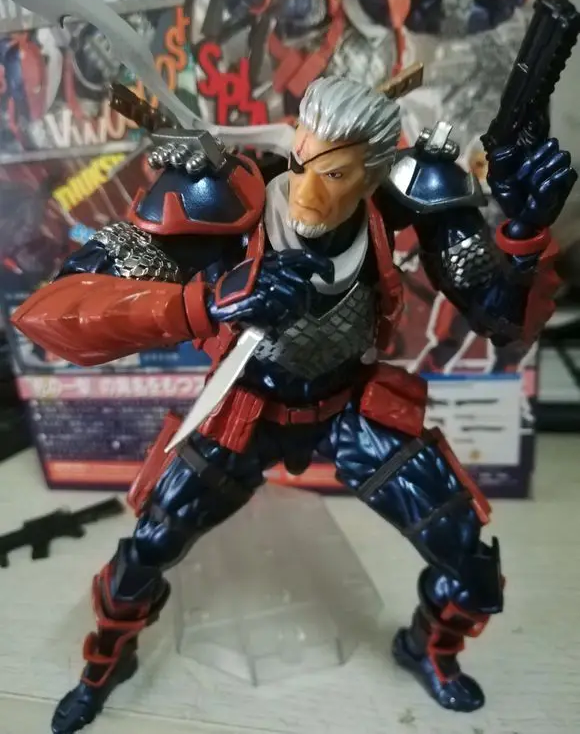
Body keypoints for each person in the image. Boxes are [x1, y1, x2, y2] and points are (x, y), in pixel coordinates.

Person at [12, 75, 571, 734]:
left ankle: (430, 649)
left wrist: (524, 233)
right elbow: (51, 311)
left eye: (333, 174)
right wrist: (204, 301)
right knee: (147, 549)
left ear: (374, 171)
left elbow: (502, 321)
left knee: (471, 564)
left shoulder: (411, 194)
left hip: (350, 407)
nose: (306, 193)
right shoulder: (223, 204)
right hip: (245, 411)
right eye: (301, 163)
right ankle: (105, 661)